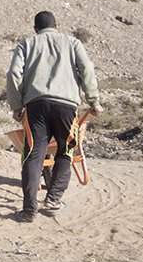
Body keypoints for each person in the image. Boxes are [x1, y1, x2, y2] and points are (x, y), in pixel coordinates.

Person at [6, 11, 101, 222]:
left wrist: (17, 106)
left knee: (33, 154)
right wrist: (94, 101)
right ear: (56, 26)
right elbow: (87, 69)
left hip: (36, 106)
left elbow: (13, 74)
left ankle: (29, 210)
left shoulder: (27, 43)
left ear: (35, 29)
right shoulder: (73, 43)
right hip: (67, 106)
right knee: (66, 150)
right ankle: (53, 199)